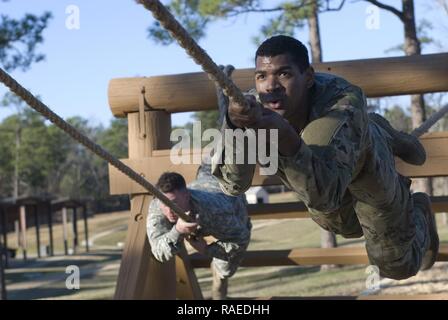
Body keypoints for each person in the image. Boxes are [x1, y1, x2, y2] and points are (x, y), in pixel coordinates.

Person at [211, 35, 439, 280]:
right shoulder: (253, 108)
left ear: (308, 77)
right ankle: (376, 129)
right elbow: (233, 185)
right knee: (345, 226)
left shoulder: (341, 103)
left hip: (366, 170)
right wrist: (233, 125)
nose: (270, 86)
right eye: (261, 76)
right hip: (331, 192)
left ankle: (418, 208)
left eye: (284, 74)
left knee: (395, 266)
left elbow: (325, 195)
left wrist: (284, 135)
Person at [146, 164, 252, 299]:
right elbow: (158, 252)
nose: (168, 210)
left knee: (225, 270)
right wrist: (177, 231)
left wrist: (207, 250)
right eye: (164, 204)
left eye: (174, 203)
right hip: (205, 177)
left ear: (186, 195)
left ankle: (218, 291)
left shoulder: (216, 209)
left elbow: (241, 239)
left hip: (230, 198)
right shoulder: (157, 205)